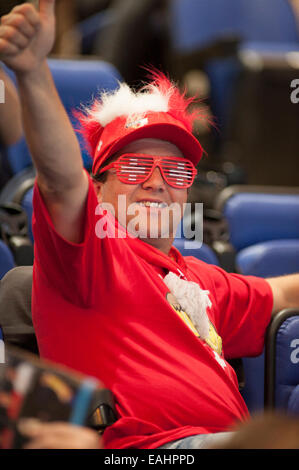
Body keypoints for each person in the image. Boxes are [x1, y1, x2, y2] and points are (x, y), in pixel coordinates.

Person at [0, 1, 299, 450]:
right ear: (97, 190)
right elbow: (60, 178)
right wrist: (33, 72)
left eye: (176, 173)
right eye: (137, 167)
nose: (158, 182)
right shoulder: (89, 256)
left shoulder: (202, 281)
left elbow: (284, 293)